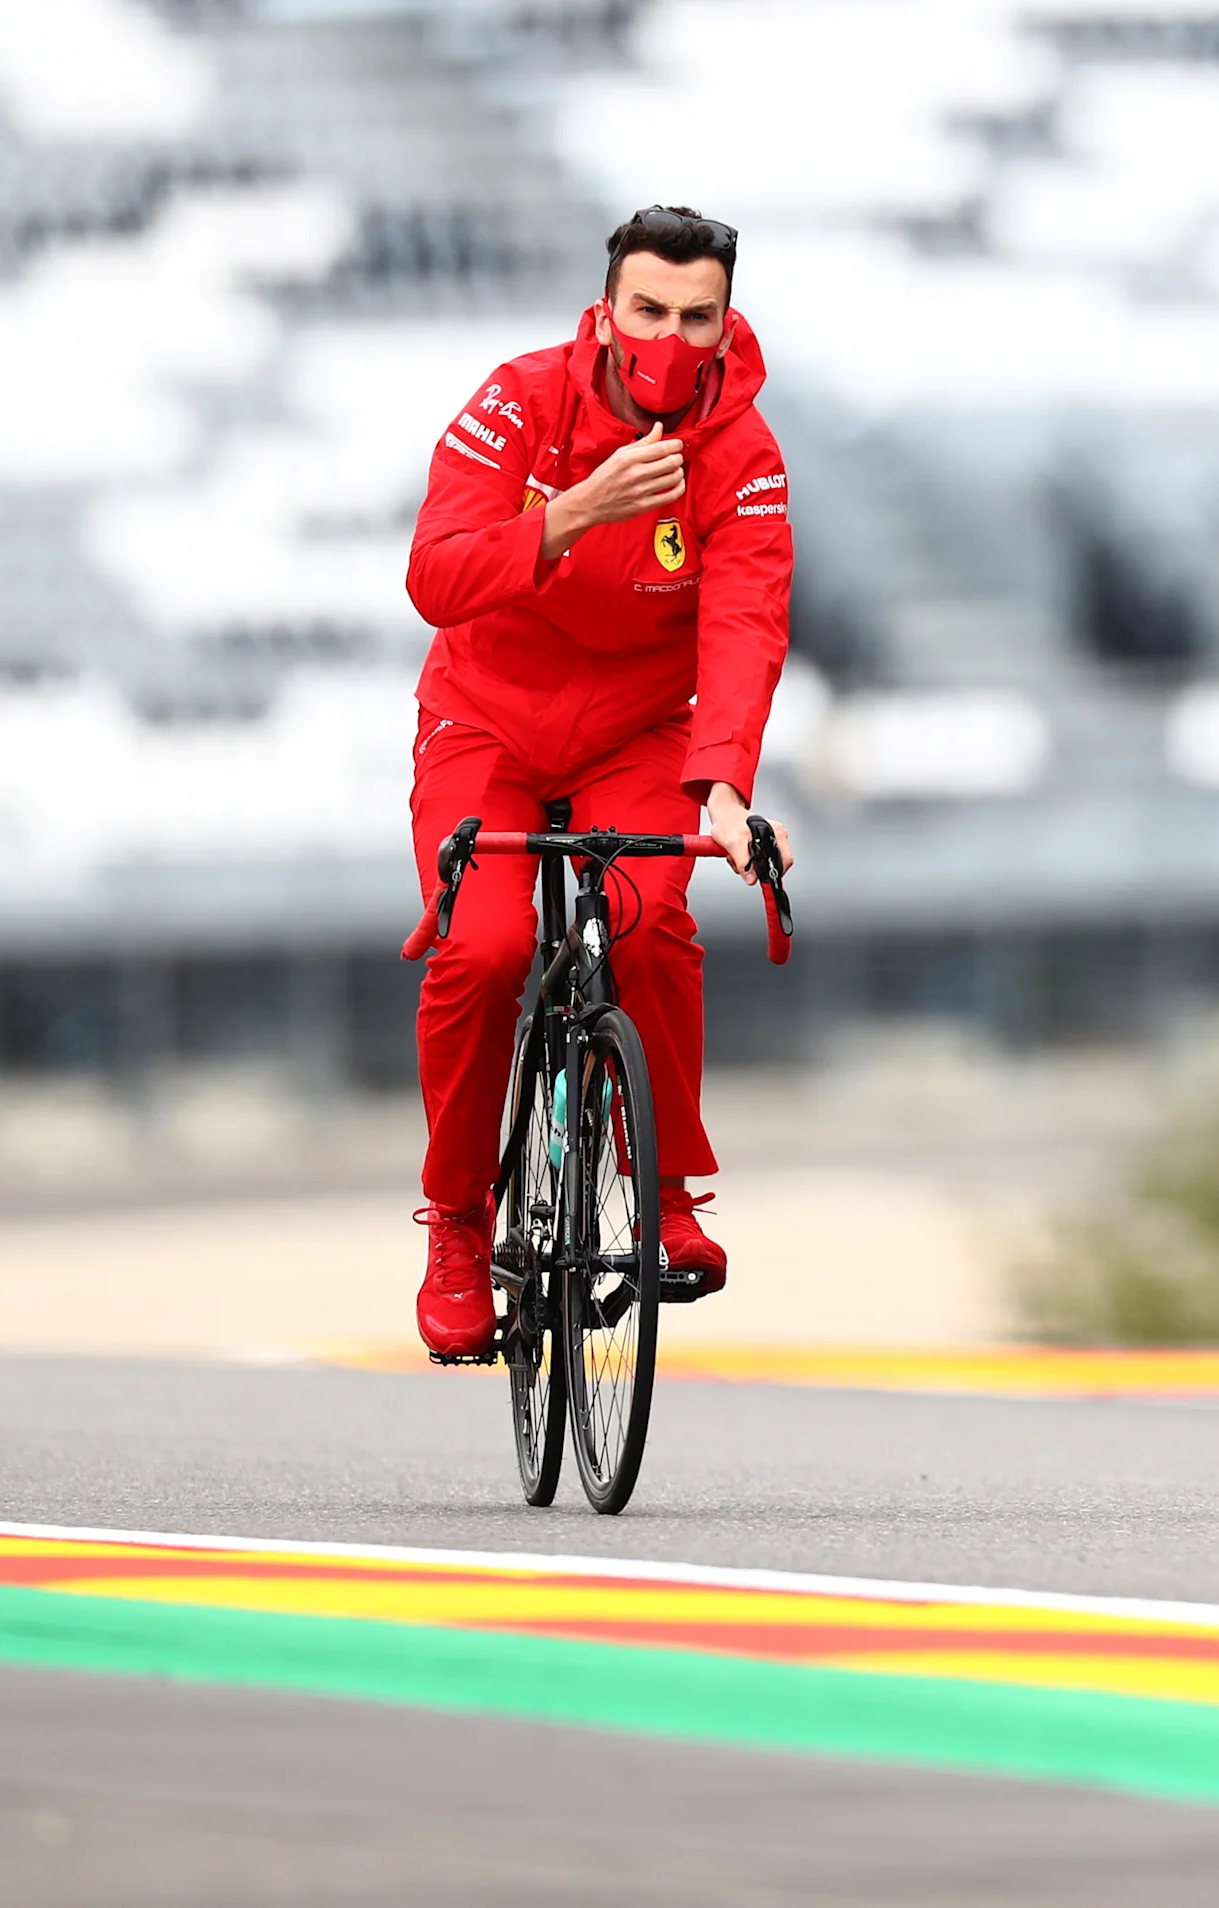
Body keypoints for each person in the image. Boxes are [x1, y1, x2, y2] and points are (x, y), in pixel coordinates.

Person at [400, 206, 796, 1360]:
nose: (670, 337)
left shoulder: (744, 454)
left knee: (653, 914)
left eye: (696, 316)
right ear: (607, 307)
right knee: (480, 949)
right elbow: (434, 575)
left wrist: (721, 789)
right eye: (649, 310)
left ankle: (666, 1192)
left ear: (726, 323)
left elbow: (744, 627)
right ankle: (459, 1227)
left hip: (640, 732)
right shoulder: (520, 400)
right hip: (487, 715)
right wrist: (575, 514)